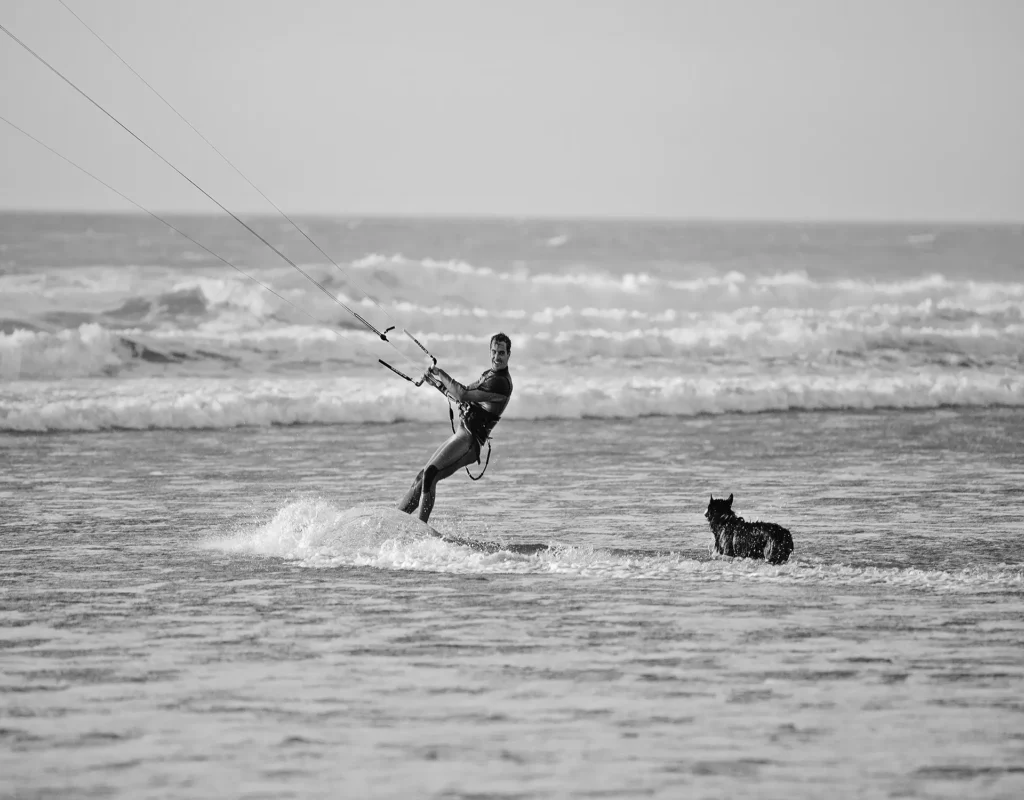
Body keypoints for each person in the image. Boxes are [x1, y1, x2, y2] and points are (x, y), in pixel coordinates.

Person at [398, 332, 513, 523]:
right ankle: (397, 519)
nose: (497, 357)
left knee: (430, 475)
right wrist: (436, 384)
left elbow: (462, 394)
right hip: (462, 432)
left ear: (509, 354)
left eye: (501, 353)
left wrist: (440, 373)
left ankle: (420, 530)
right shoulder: (488, 375)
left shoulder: (500, 382)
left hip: (469, 441)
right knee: (422, 478)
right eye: (493, 352)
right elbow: (461, 394)